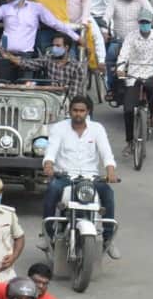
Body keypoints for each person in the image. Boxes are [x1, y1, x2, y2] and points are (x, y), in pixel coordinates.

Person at [40, 95, 119, 254]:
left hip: (91, 178)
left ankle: (108, 239)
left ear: (88, 112)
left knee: (108, 194)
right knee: (51, 191)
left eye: (82, 111)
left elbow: (106, 153)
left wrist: (111, 171)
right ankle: (47, 236)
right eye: (75, 110)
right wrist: (48, 165)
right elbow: (51, 150)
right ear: (69, 111)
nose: (78, 114)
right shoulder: (59, 128)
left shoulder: (97, 128)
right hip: (65, 176)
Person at [116, 8, 153, 150]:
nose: (144, 25)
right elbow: (124, 54)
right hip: (134, 72)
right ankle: (129, 142)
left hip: (152, 70)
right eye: (142, 22)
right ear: (138, 23)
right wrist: (120, 68)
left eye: (147, 22)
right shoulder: (131, 36)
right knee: (128, 109)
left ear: (151, 23)